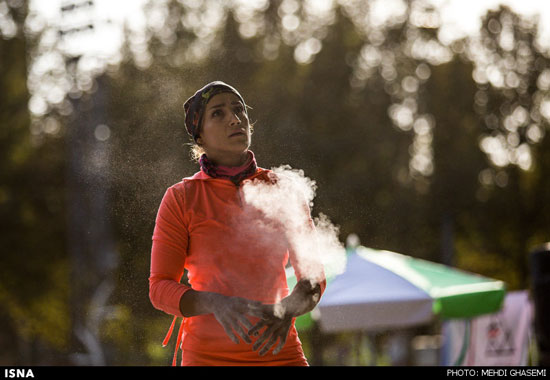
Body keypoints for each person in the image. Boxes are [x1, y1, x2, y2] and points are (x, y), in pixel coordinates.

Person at [149, 81, 326, 366]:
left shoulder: (285, 189)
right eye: (217, 113)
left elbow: (313, 279)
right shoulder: (181, 198)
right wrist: (214, 302)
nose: (234, 118)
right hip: (206, 357)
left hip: (281, 356)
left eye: (239, 109)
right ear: (200, 136)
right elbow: (159, 288)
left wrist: (287, 309)